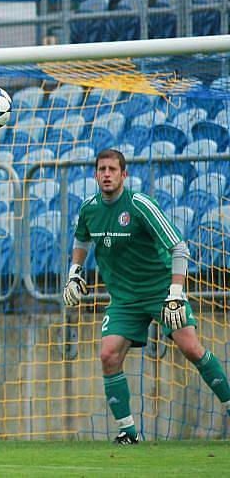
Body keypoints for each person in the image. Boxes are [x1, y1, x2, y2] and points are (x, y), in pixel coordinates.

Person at [63, 148, 230, 444]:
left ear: (124, 175)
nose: (106, 174)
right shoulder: (89, 209)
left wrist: (175, 294)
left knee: (191, 348)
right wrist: (75, 271)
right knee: (108, 355)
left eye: (113, 170)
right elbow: (81, 238)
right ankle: (128, 432)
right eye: (102, 169)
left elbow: (179, 248)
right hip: (124, 299)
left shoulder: (140, 205)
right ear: (95, 174)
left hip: (161, 292)